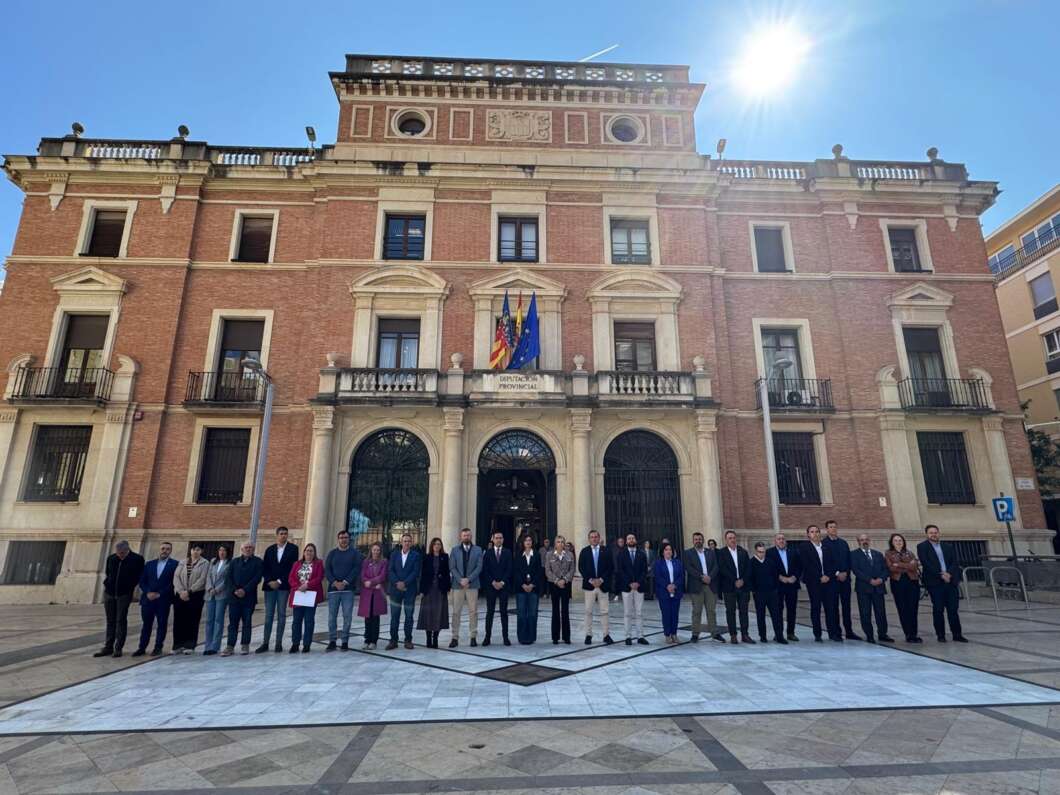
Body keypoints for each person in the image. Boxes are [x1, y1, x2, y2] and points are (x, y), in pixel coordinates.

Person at [916, 525, 967, 643]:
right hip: (935, 583)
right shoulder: (922, 547)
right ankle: (941, 635)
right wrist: (941, 574)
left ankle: (957, 634)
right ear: (927, 534)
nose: (933, 534)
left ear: (939, 533)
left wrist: (949, 574)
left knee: (953, 609)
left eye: (935, 532)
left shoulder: (948, 546)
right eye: (931, 533)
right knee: (938, 609)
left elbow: (954, 561)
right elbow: (926, 563)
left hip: (950, 581)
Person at [94, 540, 145, 658]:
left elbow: (139, 576)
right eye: (118, 552)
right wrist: (108, 584)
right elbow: (108, 573)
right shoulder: (112, 558)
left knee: (121, 620)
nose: (119, 555)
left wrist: (129, 587)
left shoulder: (137, 559)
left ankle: (118, 648)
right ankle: (108, 647)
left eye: (122, 553)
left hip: (124, 594)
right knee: (110, 620)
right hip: (110, 593)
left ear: (127, 550)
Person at [133, 542, 177, 657]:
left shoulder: (175, 565)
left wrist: (159, 594)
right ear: (159, 549)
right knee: (146, 624)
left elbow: (173, 583)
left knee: (162, 624)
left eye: (167, 549)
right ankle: (142, 647)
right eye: (163, 548)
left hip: (163, 600)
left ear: (170, 551)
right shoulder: (149, 564)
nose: (165, 551)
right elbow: (142, 580)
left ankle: (158, 647)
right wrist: (148, 592)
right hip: (148, 599)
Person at [258, 526, 298, 653]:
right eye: (281, 533)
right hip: (270, 587)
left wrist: (279, 581)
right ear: (277, 535)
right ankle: (265, 643)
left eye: (285, 534)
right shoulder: (270, 550)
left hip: (283, 587)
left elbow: (292, 568)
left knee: (281, 614)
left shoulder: (293, 549)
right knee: (268, 615)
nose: (283, 536)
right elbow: (265, 567)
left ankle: (278, 643)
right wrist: (270, 581)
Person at [798, 524, 841, 642]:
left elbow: (833, 563)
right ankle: (817, 634)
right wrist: (819, 577)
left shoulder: (827, 547)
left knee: (830, 608)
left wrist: (828, 575)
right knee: (816, 607)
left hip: (829, 581)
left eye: (817, 531)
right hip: (814, 582)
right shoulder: (804, 547)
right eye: (812, 532)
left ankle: (833, 633)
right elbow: (806, 565)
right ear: (808, 534)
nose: (815, 534)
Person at [849, 534, 893, 644]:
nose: (864, 541)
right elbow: (856, 570)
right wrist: (869, 580)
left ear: (869, 540)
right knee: (865, 613)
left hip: (879, 588)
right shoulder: (853, 555)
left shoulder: (878, 554)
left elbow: (885, 569)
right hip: (863, 588)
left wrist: (881, 579)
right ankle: (869, 635)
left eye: (866, 539)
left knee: (881, 612)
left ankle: (883, 634)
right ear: (858, 541)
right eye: (862, 540)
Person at [324, 529, 363, 652]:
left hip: (348, 590)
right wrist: (335, 582)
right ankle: (332, 641)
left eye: (345, 537)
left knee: (347, 616)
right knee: (332, 617)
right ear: (338, 539)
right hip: (333, 590)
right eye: (341, 537)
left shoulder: (354, 553)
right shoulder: (332, 554)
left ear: (349, 539)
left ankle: (345, 641)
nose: (343, 539)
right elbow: (327, 570)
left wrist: (345, 582)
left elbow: (356, 569)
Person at [223, 540, 263, 656]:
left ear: (253, 550)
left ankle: (245, 645)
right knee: (233, 623)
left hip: (249, 597)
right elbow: (228, 578)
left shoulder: (258, 562)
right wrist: (235, 590)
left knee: (247, 622)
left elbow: (257, 578)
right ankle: (230, 646)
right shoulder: (234, 562)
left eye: (250, 547)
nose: (248, 549)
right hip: (234, 597)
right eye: (246, 547)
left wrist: (244, 590)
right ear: (241, 549)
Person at [682, 532, 723, 643]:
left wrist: (710, 577)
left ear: (703, 540)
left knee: (711, 611)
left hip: (710, 585)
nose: (698, 541)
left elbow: (716, 566)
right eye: (696, 539)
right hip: (696, 586)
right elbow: (689, 568)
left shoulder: (711, 553)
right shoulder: (688, 553)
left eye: (700, 539)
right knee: (696, 611)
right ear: (693, 541)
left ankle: (715, 633)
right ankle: (695, 634)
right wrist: (701, 577)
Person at [822, 520, 860, 640]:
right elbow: (825, 563)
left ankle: (849, 631)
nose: (833, 529)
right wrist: (837, 573)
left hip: (845, 580)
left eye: (835, 527)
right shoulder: (823, 544)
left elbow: (848, 560)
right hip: (832, 581)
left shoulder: (843, 543)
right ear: (827, 529)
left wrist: (846, 572)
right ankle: (835, 632)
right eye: (830, 527)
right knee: (832, 607)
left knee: (846, 607)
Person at [171, 543, 209, 654]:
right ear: (190, 550)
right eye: (193, 549)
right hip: (180, 595)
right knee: (178, 620)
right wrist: (181, 591)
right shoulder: (182, 562)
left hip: (195, 595)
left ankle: (189, 645)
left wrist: (189, 591)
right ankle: (177, 645)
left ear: (201, 551)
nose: (195, 552)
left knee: (192, 620)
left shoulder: (205, 563)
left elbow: (203, 579)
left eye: (198, 549)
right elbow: (176, 577)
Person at [717, 530, 754, 644]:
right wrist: (734, 580)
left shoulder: (743, 552)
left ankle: (745, 634)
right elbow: (722, 569)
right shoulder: (721, 553)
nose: (732, 540)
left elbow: (748, 568)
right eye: (730, 538)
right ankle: (733, 635)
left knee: (744, 611)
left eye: (733, 537)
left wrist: (742, 580)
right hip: (729, 587)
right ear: (726, 540)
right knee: (730, 611)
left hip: (743, 587)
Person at [577, 529, 614, 645]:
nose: (594, 539)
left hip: (603, 585)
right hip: (590, 586)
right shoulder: (584, 551)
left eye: (596, 537)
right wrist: (591, 580)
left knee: (605, 611)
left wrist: (601, 579)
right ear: (589, 539)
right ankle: (588, 635)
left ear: (599, 538)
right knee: (588, 611)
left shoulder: (606, 551)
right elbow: (581, 567)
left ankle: (606, 635)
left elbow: (610, 567)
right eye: (592, 537)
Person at [386, 533, 421, 650]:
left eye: (409, 541)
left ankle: (408, 640)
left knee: (409, 616)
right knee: (394, 616)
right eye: (405, 541)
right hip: (395, 590)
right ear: (401, 542)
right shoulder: (394, 555)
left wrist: (404, 583)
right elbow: (390, 571)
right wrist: (397, 583)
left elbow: (415, 572)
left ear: (411, 543)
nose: (406, 543)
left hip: (409, 590)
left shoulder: (416, 555)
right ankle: (393, 640)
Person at [287, 543, 324, 653]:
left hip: (311, 595)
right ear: (304, 552)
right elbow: (291, 578)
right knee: (296, 621)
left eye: (311, 551)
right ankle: (295, 643)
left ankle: (307, 644)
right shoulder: (297, 564)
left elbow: (319, 577)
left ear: (314, 553)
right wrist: (298, 586)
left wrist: (307, 585)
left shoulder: (318, 563)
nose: (309, 552)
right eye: (307, 550)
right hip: (298, 595)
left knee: (309, 621)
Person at [449, 528, 482, 648]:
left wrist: (468, 579)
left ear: (471, 536)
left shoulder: (478, 550)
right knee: (456, 612)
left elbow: (479, 567)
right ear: (460, 537)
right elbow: (452, 567)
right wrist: (460, 580)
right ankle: (454, 637)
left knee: (473, 612)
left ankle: (473, 636)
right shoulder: (454, 550)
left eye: (468, 535)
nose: (466, 537)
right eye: (464, 535)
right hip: (458, 585)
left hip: (472, 585)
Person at [748, 541, 786, 644]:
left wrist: (775, 589)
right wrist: (754, 590)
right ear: (755, 551)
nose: (762, 554)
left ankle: (779, 636)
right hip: (759, 594)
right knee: (761, 615)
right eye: (760, 552)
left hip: (772, 593)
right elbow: (750, 578)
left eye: (763, 552)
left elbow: (775, 576)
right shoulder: (751, 563)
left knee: (776, 615)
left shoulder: (770, 562)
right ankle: (763, 636)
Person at [616, 532, 649, 646]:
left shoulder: (641, 554)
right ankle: (628, 636)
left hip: (639, 587)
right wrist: (630, 583)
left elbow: (644, 570)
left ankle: (640, 636)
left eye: (633, 538)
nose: (631, 540)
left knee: (639, 613)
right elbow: (620, 570)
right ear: (626, 541)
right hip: (627, 587)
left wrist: (638, 582)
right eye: (629, 538)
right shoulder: (621, 554)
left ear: (635, 540)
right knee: (627, 613)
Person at [418, 537, 451, 648]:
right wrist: (422, 590)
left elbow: (447, 573)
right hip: (429, 589)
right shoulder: (426, 557)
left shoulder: (445, 557)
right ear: (432, 546)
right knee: (428, 613)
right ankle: (428, 637)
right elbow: (422, 574)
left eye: (439, 544)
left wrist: (447, 588)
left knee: (439, 613)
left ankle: (435, 638)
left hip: (440, 589)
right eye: (435, 544)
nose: (437, 546)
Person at [768, 533, 802, 641]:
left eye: (783, 539)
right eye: (779, 539)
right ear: (775, 541)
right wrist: (779, 577)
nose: (781, 541)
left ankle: (791, 633)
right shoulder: (769, 553)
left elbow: (799, 566)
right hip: (778, 585)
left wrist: (795, 577)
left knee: (792, 609)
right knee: (778, 610)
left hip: (792, 584)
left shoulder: (793, 552)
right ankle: (779, 633)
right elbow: (769, 568)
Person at [481, 531, 512, 646]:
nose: (499, 540)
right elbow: (485, 570)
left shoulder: (508, 552)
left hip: (503, 586)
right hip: (491, 586)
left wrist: (502, 582)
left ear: (503, 539)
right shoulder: (487, 553)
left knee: (504, 612)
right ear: (492, 539)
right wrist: (493, 582)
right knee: (490, 612)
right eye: (497, 538)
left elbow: (509, 569)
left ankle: (505, 637)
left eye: (500, 538)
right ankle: (487, 637)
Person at [513, 534, 544, 644]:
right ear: (522, 542)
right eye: (526, 540)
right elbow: (515, 571)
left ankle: (531, 637)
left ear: (532, 542)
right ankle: (522, 637)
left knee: (532, 614)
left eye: (530, 540)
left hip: (533, 589)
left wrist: (532, 585)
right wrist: (523, 584)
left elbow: (539, 571)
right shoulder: (517, 555)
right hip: (521, 589)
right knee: (521, 614)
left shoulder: (536, 555)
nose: (528, 542)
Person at [544, 535, 574, 644]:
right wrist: (557, 580)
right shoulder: (549, 555)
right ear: (555, 544)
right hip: (554, 585)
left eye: (562, 542)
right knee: (555, 610)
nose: (560, 544)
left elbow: (572, 569)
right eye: (558, 542)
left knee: (565, 610)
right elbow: (548, 571)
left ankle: (566, 637)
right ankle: (555, 637)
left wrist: (565, 580)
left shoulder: (569, 554)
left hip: (566, 585)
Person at [358, 542, 388, 650]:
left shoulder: (384, 562)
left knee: (375, 617)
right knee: (367, 617)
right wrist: (371, 584)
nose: (376, 552)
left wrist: (370, 582)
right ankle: (367, 639)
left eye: (378, 550)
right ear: (371, 550)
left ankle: (374, 641)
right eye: (374, 550)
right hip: (367, 593)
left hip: (377, 594)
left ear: (380, 551)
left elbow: (383, 576)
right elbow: (362, 576)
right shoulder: (366, 562)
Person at [653, 542, 684, 643]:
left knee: (675, 614)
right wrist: (667, 585)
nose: (668, 551)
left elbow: (681, 576)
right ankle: (667, 634)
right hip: (664, 592)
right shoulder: (658, 563)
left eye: (670, 549)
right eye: (666, 549)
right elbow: (658, 577)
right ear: (662, 552)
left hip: (676, 592)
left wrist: (674, 585)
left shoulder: (677, 562)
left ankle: (674, 634)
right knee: (666, 614)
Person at [202, 544, 230, 656]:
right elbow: (208, 576)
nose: (222, 552)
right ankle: (207, 645)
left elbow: (227, 579)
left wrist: (217, 589)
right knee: (209, 620)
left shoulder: (229, 563)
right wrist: (209, 588)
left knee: (218, 619)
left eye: (224, 550)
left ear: (228, 552)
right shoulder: (213, 561)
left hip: (221, 594)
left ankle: (215, 646)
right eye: (220, 550)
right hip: (210, 594)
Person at [609, 536, 625, 602]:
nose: (621, 543)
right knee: (615, 584)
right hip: (616, 570)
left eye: (622, 542)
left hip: (624, 570)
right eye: (620, 542)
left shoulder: (625, 550)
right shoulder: (614, 550)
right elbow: (613, 560)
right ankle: (616, 595)